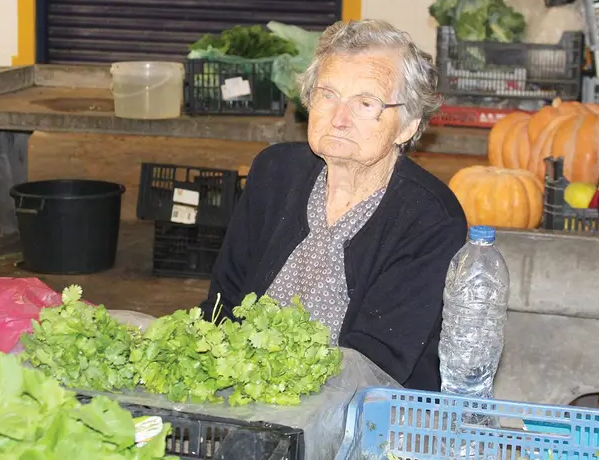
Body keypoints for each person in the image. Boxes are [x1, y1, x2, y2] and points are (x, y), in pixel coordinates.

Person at [199, 19, 468, 391]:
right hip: (247, 392)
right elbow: (223, 302)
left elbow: (376, 364)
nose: (339, 119)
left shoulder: (430, 218)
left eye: (365, 103)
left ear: (407, 127)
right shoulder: (274, 172)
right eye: (328, 95)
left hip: (363, 415)